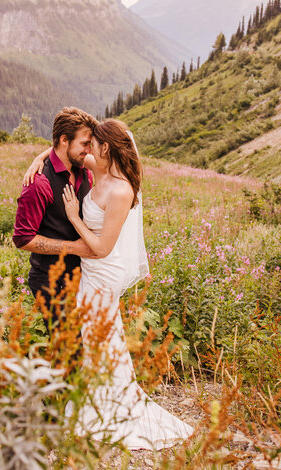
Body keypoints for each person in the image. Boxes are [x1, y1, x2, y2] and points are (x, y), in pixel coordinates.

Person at [24, 118, 194, 450]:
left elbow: (102, 248)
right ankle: (94, 397)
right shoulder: (98, 167)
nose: (87, 150)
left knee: (97, 335)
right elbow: (63, 151)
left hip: (102, 268)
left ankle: (107, 406)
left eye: (92, 144)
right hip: (90, 266)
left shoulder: (121, 189)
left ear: (105, 148)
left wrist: (74, 216)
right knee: (94, 335)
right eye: (86, 144)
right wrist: (37, 159)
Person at [13, 107, 97, 330]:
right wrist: (73, 248)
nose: (89, 151)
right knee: (66, 348)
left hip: (81, 276)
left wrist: (40, 154)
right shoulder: (39, 184)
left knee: (84, 347)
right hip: (50, 281)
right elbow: (22, 239)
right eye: (84, 144)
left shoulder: (84, 170)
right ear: (63, 140)